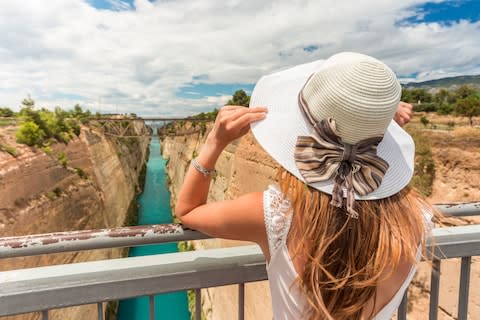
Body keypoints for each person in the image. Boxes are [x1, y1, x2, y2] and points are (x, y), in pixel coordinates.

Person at [175, 52, 432, 320]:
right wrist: (372, 123)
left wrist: (215, 142)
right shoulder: (418, 221)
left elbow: (188, 209)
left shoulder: (276, 216)